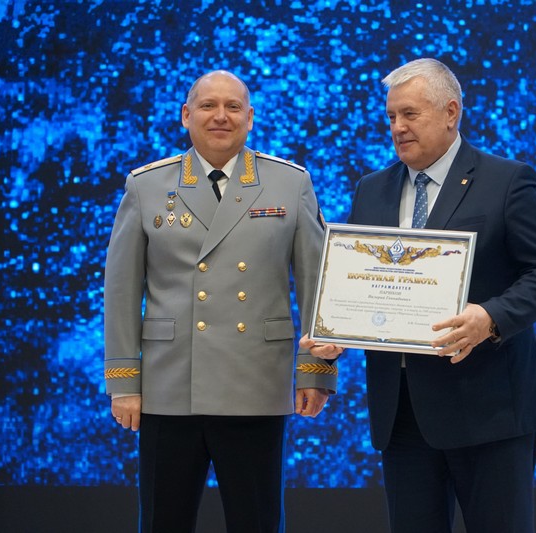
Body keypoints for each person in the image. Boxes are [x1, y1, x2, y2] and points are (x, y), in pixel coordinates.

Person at [305, 58, 536, 532]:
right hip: (402, 414)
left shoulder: (508, 180)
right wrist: (338, 333)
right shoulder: (371, 189)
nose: (397, 127)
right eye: (391, 116)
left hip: (489, 410)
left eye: (410, 114)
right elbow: (363, 284)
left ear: (451, 112)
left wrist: (490, 317)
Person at [103, 70, 337, 533]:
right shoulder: (146, 186)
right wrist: (123, 381)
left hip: (256, 383)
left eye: (233, 107)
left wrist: (316, 370)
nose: (221, 116)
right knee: (163, 522)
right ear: (185, 115)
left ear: (250, 118)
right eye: (208, 105)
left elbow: (316, 281)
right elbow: (121, 289)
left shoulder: (290, 183)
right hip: (169, 385)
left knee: (258, 522)